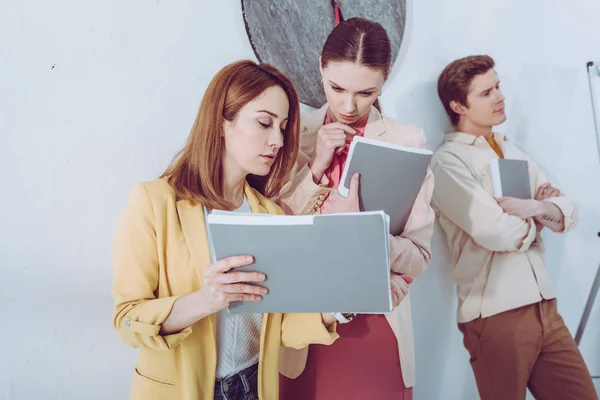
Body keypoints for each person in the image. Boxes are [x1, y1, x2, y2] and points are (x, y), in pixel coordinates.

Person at [111, 60, 340, 400]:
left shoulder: (272, 215)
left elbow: (280, 328)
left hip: (253, 388)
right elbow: (127, 320)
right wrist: (205, 300)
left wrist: (338, 307)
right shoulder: (154, 201)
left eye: (283, 126)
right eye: (264, 122)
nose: (276, 139)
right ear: (221, 123)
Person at [275, 18, 435, 400]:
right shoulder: (291, 133)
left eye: (366, 92)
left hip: (377, 325)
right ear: (321, 67)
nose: (348, 105)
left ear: (386, 77)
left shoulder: (407, 142)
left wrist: (364, 232)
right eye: (336, 88)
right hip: (303, 326)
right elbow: (274, 233)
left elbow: (418, 258)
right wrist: (315, 168)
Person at [431, 54, 597, 400]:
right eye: (486, 93)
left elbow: (567, 213)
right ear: (458, 105)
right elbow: (495, 232)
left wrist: (534, 207)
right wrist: (539, 221)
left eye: (498, 87)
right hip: (495, 316)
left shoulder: (511, 150)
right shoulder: (448, 163)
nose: (499, 97)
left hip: (545, 310)